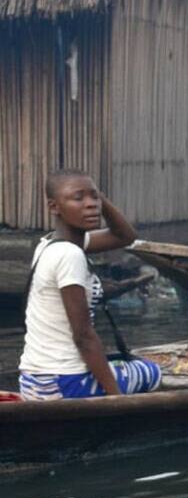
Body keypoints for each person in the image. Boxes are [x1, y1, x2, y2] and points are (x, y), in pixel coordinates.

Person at [19, 170, 161, 400]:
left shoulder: (48, 243)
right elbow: (83, 337)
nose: (90, 205)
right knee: (152, 371)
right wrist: (116, 398)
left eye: (94, 198)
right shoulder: (69, 255)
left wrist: (98, 199)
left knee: (128, 364)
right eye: (78, 198)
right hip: (64, 383)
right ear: (54, 207)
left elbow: (125, 236)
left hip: (34, 381)